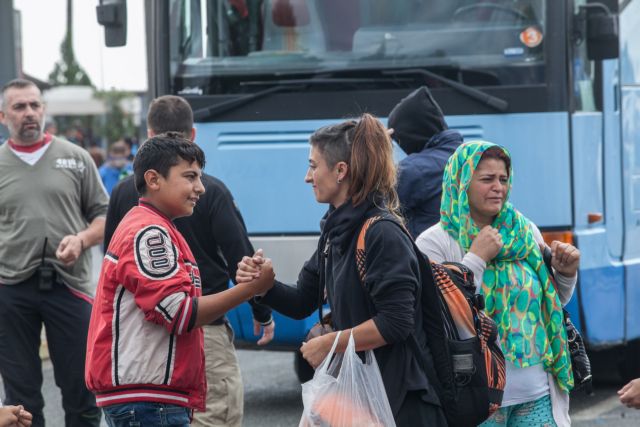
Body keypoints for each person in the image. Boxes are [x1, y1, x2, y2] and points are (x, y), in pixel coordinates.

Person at [237, 114, 448, 426]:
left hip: (401, 400)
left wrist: (331, 342)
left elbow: (396, 323)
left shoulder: (382, 233)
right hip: (361, 395)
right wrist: (263, 286)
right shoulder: (334, 232)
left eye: (312, 165)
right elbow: (301, 302)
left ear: (340, 171)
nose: (307, 177)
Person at [103, 95, 274, 427]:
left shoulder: (130, 198)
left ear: (150, 133)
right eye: (191, 177)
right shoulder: (150, 231)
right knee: (217, 418)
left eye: (199, 177)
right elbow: (179, 311)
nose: (200, 188)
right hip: (173, 348)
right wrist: (256, 299)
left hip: (140, 351)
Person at [416, 141, 580, 426]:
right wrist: (476, 259)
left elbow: (552, 302)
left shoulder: (524, 230)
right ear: (462, 183)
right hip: (476, 398)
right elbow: (437, 316)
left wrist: (565, 274)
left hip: (536, 393)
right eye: (487, 179)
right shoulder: (435, 242)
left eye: (503, 179)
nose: (498, 187)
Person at [0, 78, 106, 427]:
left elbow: (104, 216)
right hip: (10, 288)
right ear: (3, 116)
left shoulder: (76, 158)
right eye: (19, 107)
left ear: (43, 110)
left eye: (34, 105)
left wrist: (81, 239)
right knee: (20, 395)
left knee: (82, 388)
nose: (29, 113)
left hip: (70, 285)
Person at [387, 86, 462, 239]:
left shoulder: (414, 169)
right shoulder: (467, 157)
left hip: (428, 259)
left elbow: (365, 205)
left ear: (409, 135)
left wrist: (374, 154)